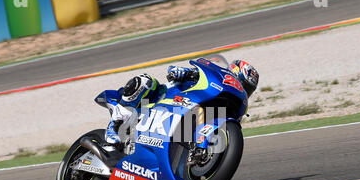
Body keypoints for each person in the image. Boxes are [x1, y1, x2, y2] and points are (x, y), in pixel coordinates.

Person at [104, 60, 259, 144]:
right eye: (242, 84)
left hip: (178, 128)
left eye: (247, 89)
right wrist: (181, 72)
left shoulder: (229, 118)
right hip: (162, 100)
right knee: (146, 81)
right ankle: (116, 123)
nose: (242, 90)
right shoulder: (209, 80)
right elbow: (173, 70)